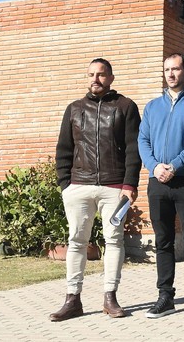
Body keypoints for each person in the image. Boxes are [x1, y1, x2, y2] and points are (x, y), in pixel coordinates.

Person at [50, 58, 141, 322]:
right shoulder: (74, 109)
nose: (95, 79)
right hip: (78, 186)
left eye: (101, 75)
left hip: (114, 187)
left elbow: (134, 150)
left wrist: (129, 184)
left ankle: (110, 298)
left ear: (111, 78)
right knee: (76, 242)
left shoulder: (125, 107)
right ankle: (72, 299)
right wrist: (65, 185)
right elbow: (64, 149)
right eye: (91, 74)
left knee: (114, 241)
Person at [138, 53, 184, 319]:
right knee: (163, 241)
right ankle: (165, 296)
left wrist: (175, 165)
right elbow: (143, 140)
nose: (171, 74)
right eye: (167, 69)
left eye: (176, 69)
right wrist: (154, 166)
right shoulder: (152, 106)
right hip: (157, 182)